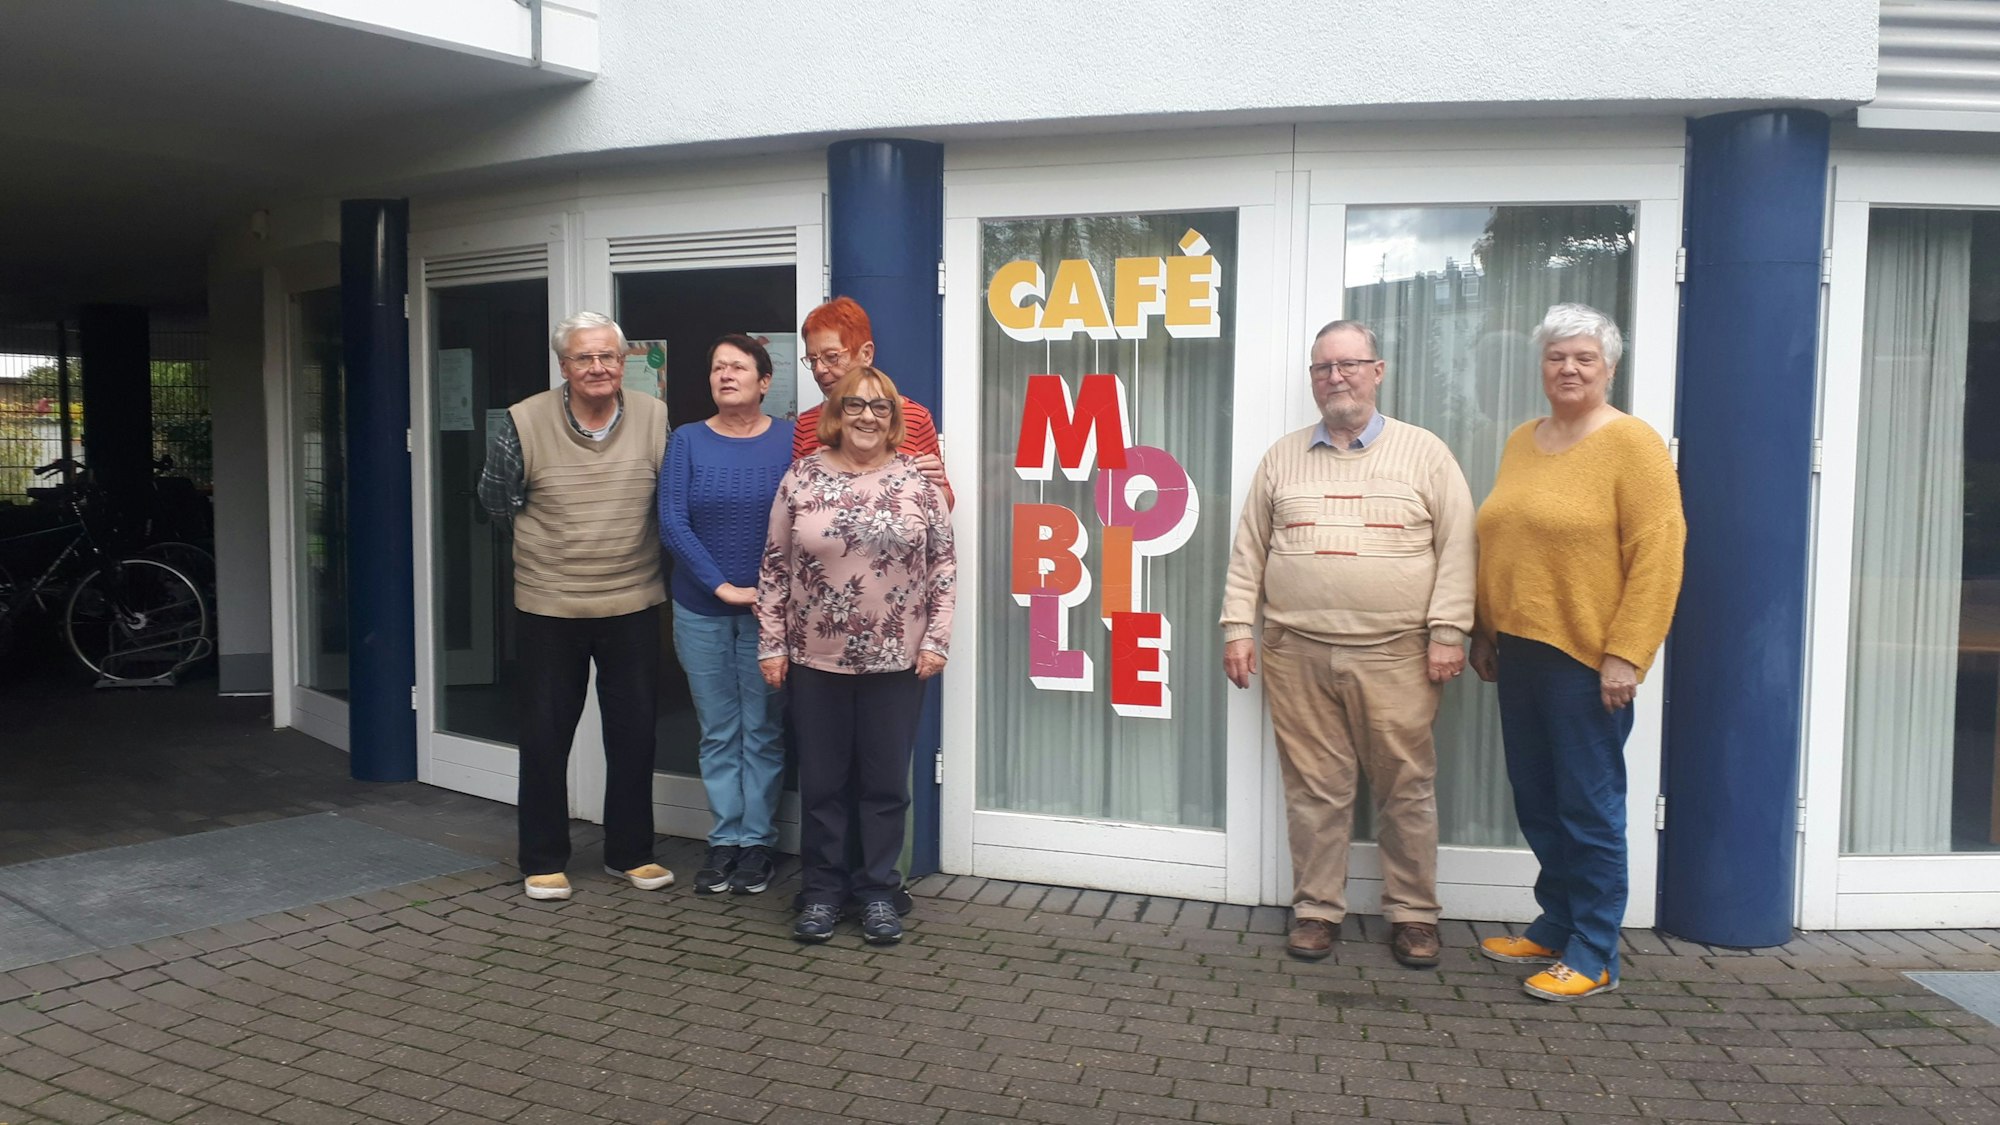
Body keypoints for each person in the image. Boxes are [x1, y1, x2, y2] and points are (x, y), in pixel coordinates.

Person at [1220, 319, 1476, 968]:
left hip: (1397, 655)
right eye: (1323, 368)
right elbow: (1249, 548)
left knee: (1405, 789)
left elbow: (1459, 550)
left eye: (1349, 364)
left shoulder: (1426, 453)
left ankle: (1415, 915)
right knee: (1314, 789)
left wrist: (1450, 631)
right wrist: (1236, 627)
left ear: (1378, 371)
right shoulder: (1282, 458)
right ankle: (1316, 910)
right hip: (1295, 652)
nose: (1336, 377)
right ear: (1312, 379)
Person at [1470, 303, 1684, 1002]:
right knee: (1538, 797)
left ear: (1609, 367)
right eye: (1557, 356)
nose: (1568, 368)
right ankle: (1557, 920)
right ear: (1541, 366)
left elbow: (1659, 553)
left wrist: (1628, 651)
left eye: (1584, 357)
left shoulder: (1633, 443)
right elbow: (1501, 537)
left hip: (1587, 658)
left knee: (1588, 806)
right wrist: (1484, 626)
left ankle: (1594, 949)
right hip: (1521, 649)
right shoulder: (1522, 439)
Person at [477, 311, 675, 902]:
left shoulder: (655, 416)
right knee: (544, 736)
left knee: (636, 734)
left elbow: (674, 498)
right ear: (563, 366)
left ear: (624, 362)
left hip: (634, 598)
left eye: (608, 357)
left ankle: (630, 853)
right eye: (584, 358)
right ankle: (541, 857)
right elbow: (494, 503)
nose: (598, 368)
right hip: (549, 605)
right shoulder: (522, 420)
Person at [757, 366, 956, 945]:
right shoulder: (801, 478)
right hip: (814, 659)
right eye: (856, 405)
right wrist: (772, 643)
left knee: (884, 784)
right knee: (822, 782)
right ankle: (820, 893)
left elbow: (943, 566)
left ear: (894, 420)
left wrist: (937, 638)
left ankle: (876, 893)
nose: (868, 416)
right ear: (835, 414)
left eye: (881, 407)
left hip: (898, 660)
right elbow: (774, 565)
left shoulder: (917, 483)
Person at [659, 334, 794, 897]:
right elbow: (671, 519)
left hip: (771, 612)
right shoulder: (687, 440)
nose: (725, 375)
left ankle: (758, 843)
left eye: (738, 366)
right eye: (717, 367)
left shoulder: (792, 440)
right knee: (718, 731)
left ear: (765, 381)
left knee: (762, 731)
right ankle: (724, 840)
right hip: (700, 607)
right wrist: (720, 586)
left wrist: (768, 589)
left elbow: (807, 516)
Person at [792, 296, 953, 507]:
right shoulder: (807, 423)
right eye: (813, 360)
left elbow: (945, 505)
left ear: (866, 354)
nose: (820, 370)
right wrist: (809, 471)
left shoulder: (914, 417)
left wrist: (937, 485)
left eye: (831, 357)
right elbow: (792, 503)